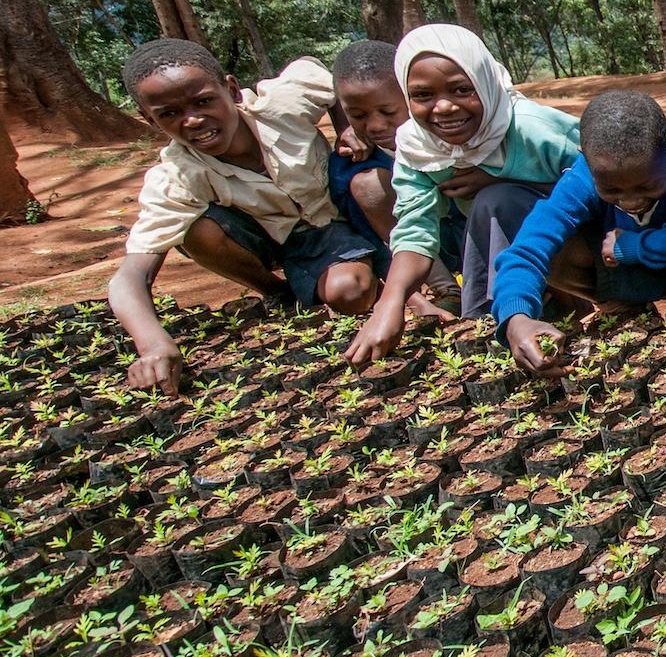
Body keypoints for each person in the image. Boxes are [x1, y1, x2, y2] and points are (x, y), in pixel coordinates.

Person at [109, 39, 378, 391]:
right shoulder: (176, 175)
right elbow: (129, 278)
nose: (192, 120)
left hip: (331, 222)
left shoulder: (281, 105)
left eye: (204, 101)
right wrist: (153, 343)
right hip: (268, 240)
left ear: (232, 90)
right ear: (150, 119)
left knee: (351, 293)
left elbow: (330, 78)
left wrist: (347, 125)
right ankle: (278, 292)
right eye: (169, 114)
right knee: (194, 231)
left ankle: (329, 272)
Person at [344, 25, 582, 367]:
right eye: (423, 95)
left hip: (576, 243)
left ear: (484, 81)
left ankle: (573, 306)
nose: (444, 107)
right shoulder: (417, 146)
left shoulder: (532, 130)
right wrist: (391, 302)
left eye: (461, 89)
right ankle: (503, 319)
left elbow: (604, 187)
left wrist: (498, 178)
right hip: (491, 243)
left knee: (496, 201)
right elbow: (415, 230)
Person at [493, 90, 666, 375]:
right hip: (619, 271)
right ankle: (621, 307)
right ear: (589, 165)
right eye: (612, 190)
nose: (630, 201)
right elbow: (527, 249)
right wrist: (515, 317)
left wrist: (634, 246)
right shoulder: (584, 175)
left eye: (646, 187)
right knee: (556, 247)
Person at [329, 39, 459, 312]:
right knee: (370, 186)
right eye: (358, 115)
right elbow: (377, 240)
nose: (375, 126)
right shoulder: (353, 164)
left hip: (469, 234)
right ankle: (446, 288)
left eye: (388, 111)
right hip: (416, 251)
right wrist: (410, 300)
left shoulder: (454, 128)